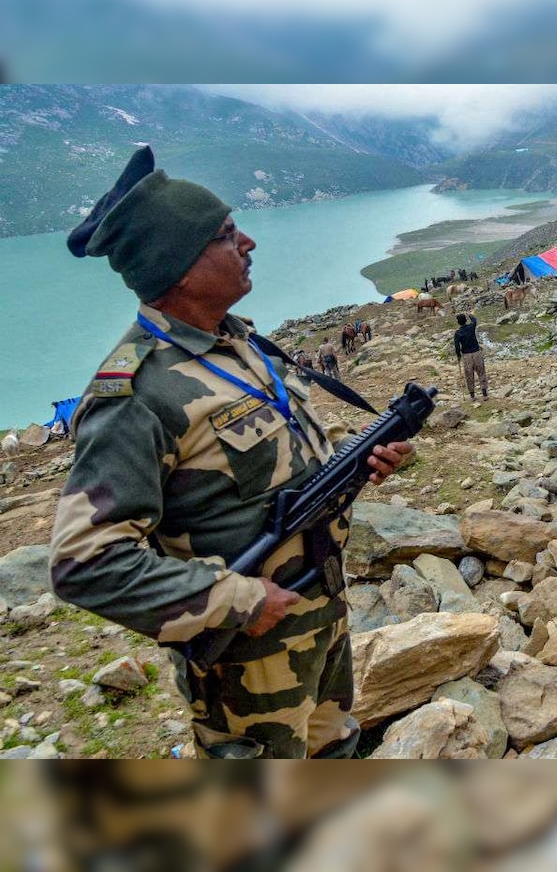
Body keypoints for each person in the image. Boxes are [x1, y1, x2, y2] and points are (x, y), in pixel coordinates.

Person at [50, 146, 413, 759]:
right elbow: (84, 564)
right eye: (224, 235)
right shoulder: (138, 395)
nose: (248, 243)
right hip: (247, 659)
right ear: (181, 265)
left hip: (320, 615)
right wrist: (238, 600)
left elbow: (277, 473)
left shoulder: (242, 347)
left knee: (335, 756)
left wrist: (355, 467)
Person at [454, 311, 488, 400]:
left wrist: (458, 356)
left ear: (458, 322)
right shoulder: (471, 327)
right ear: (465, 320)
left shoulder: (457, 333)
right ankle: (484, 394)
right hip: (477, 353)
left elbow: (457, 346)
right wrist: (469, 314)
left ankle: (472, 396)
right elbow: (474, 320)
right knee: (481, 372)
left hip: (466, 356)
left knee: (469, 375)